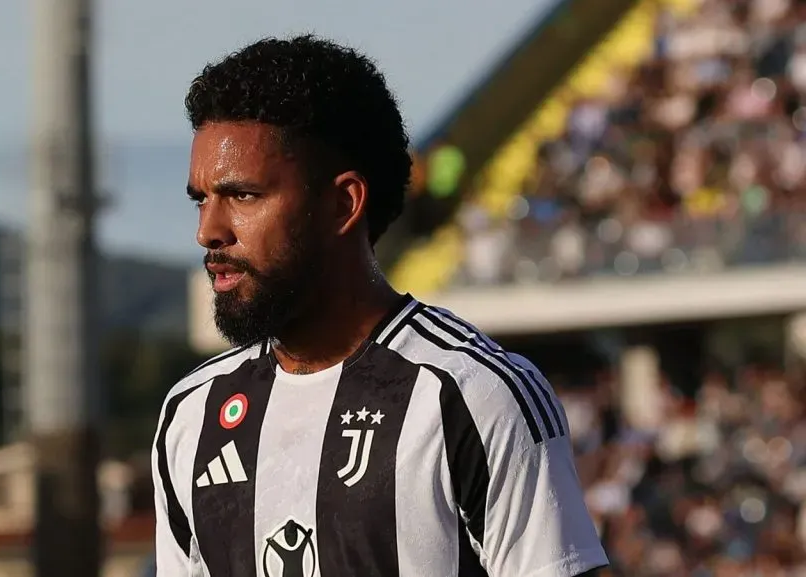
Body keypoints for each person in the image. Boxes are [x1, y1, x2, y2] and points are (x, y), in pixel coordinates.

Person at [152, 35, 610, 577]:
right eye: (201, 199)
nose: (209, 231)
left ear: (344, 203)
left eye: (243, 196)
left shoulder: (473, 396)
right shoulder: (191, 416)